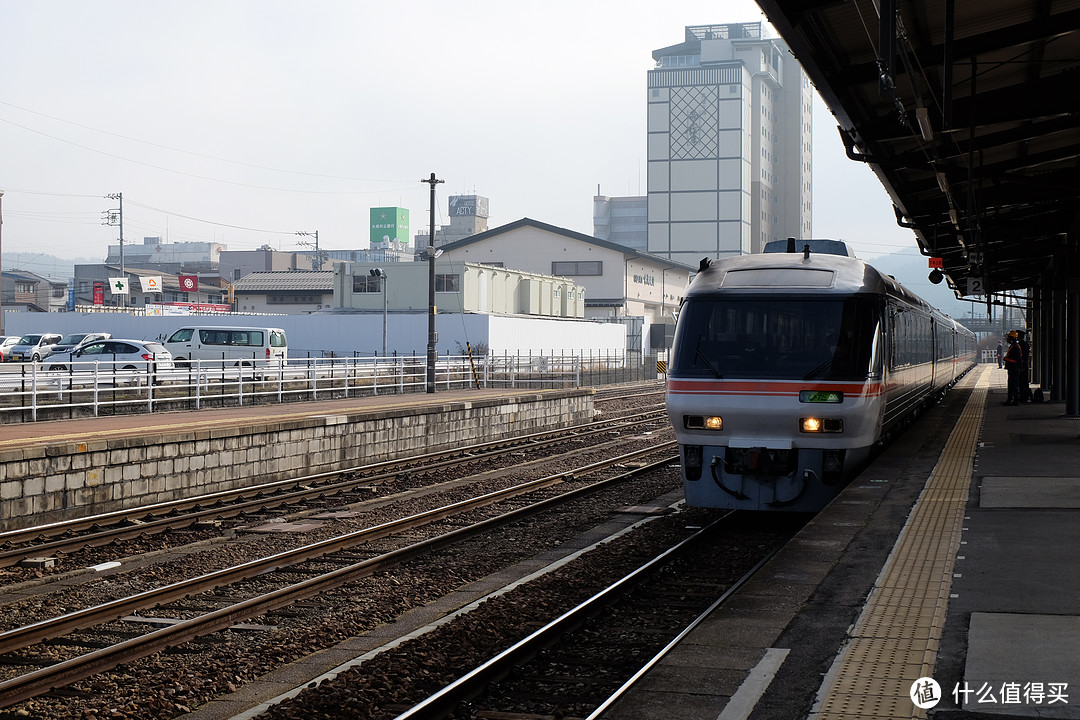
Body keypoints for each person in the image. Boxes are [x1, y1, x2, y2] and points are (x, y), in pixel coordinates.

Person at [1002, 331, 1022, 405]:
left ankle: (1014, 400)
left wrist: (1006, 359)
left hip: (1014, 368)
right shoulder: (1013, 346)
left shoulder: (1015, 347)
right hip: (1013, 368)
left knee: (1013, 385)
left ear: (1012, 338)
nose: (1008, 339)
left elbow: (1017, 359)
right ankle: (1011, 399)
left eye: (1009, 337)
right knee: (1011, 384)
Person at [1016, 330, 1032, 402]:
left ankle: (1022, 396)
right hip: (1025, 364)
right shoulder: (1026, 344)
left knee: (1021, 381)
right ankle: (1025, 396)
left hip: (1021, 365)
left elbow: (1019, 356)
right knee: (1025, 381)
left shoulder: (1019, 345)